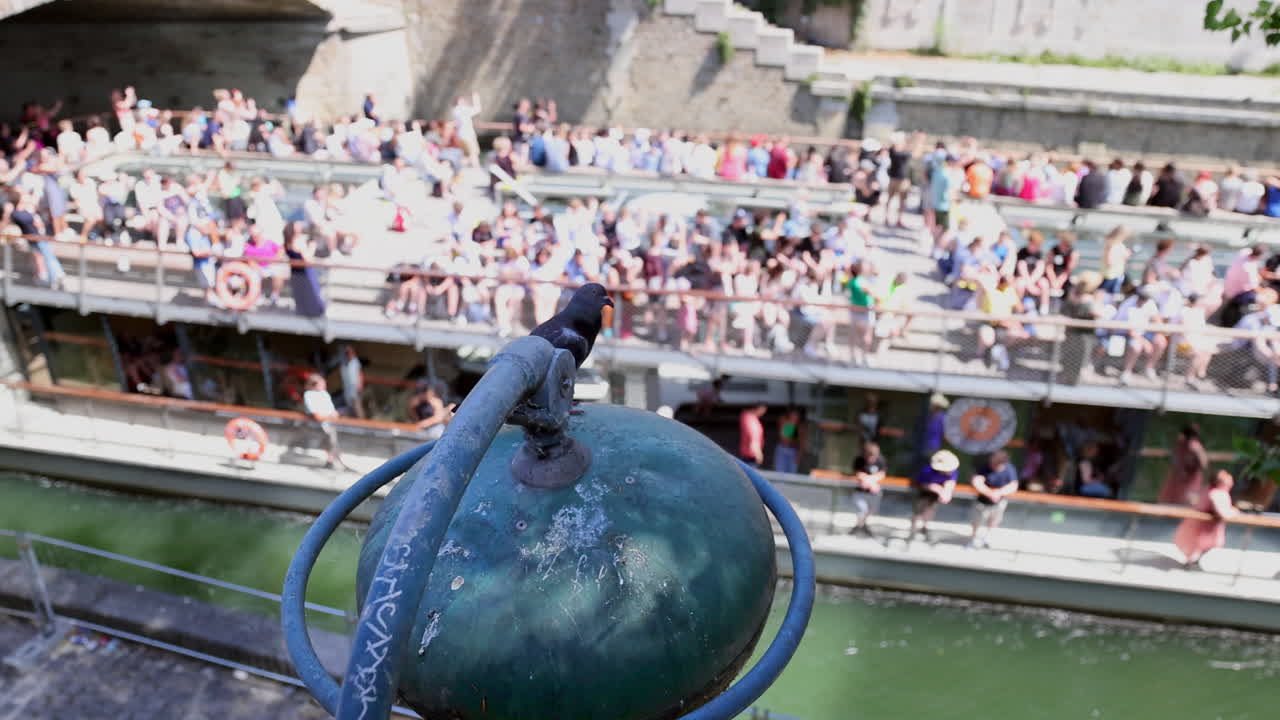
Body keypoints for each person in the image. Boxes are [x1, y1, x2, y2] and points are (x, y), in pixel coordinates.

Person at [1173, 470, 1239, 569]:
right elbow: (1222, 512)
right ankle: (1191, 562)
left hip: (1208, 526)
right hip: (1203, 526)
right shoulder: (1216, 494)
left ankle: (1194, 561)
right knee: (1199, 545)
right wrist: (1234, 512)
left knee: (1206, 545)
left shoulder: (1213, 490)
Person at [968, 449, 1019, 549]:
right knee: (977, 521)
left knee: (994, 521)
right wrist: (989, 493)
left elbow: (1013, 485)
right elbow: (977, 481)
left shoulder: (1009, 469)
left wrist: (999, 493)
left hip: (999, 502)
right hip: (982, 501)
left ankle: (987, 539)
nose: (993, 464)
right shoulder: (984, 466)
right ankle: (974, 539)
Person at [909, 449, 959, 543]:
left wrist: (947, 492)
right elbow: (920, 483)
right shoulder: (927, 470)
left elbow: (951, 482)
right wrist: (937, 489)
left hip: (935, 496)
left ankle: (925, 528)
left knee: (930, 512)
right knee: (917, 512)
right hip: (922, 493)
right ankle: (913, 530)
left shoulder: (953, 471)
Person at [303, 374, 349, 470]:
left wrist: (334, 416)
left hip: (330, 423)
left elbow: (332, 410)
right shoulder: (309, 395)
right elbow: (316, 416)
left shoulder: (324, 393)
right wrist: (329, 417)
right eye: (321, 384)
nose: (324, 385)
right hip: (319, 425)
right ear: (315, 384)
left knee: (333, 441)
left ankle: (334, 461)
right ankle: (332, 461)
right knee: (330, 440)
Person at [1160, 425, 1208, 506]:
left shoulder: (1194, 446)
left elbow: (1203, 463)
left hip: (1189, 478)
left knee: (1186, 499)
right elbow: (1175, 458)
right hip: (1180, 477)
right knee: (1173, 499)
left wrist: (1189, 467)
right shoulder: (1182, 444)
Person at [848, 441, 886, 537]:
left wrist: (871, 481)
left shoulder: (880, 460)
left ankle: (862, 526)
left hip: (874, 492)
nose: (871, 459)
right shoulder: (859, 460)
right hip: (860, 492)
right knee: (861, 509)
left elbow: (882, 473)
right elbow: (857, 473)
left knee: (871, 511)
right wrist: (869, 481)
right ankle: (859, 527)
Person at [338, 345, 365, 419]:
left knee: (357, 406)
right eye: (346, 353)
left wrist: (360, 386)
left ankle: (361, 421)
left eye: (349, 352)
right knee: (349, 406)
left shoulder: (355, 362)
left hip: (355, 388)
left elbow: (360, 374)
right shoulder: (343, 363)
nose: (348, 354)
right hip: (347, 389)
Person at [774, 407, 800, 473]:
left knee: (792, 473)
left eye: (796, 415)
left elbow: (801, 442)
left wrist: (799, 455)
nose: (794, 417)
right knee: (780, 472)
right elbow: (784, 438)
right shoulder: (784, 422)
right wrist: (791, 423)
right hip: (782, 449)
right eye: (792, 415)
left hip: (792, 451)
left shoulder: (799, 427)